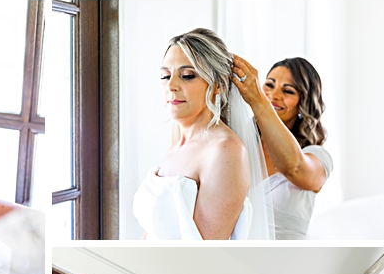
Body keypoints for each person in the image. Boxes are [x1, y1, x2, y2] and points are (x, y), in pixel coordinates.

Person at [134, 28, 271, 240]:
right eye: (165, 75)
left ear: (218, 85)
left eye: (187, 76)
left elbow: (205, 254)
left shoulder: (226, 151)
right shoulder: (176, 144)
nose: (171, 86)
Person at [232, 54, 331, 239]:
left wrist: (259, 102)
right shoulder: (239, 145)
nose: (273, 96)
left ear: (304, 101)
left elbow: (293, 168)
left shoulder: (317, 156)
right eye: (269, 85)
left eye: (288, 91)